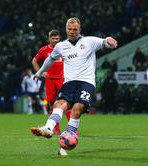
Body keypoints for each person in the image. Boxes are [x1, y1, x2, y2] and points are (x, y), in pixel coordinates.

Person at [30, 17, 118, 156]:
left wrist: (109, 41)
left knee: (77, 109)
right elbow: (49, 60)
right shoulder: (61, 46)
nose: (72, 32)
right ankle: (48, 128)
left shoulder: (89, 41)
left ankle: (63, 147)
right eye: (69, 29)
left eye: (75, 29)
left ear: (79, 29)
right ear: (66, 29)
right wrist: (40, 72)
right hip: (69, 82)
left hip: (86, 82)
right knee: (59, 104)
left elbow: (103, 42)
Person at [32, 29, 70, 134]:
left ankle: (71, 129)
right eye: (53, 38)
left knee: (66, 102)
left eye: (57, 38)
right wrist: (41, 72)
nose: (55, 40)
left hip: (62, 79)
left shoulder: (64, 48)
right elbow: (34, 61)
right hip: (50, 80)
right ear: (49, 39)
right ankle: (56, 129)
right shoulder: (44, 50)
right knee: (52, 103)